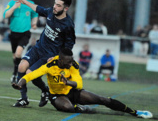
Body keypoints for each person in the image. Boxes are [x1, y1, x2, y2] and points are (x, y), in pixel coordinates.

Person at [12, 48, 153, 119]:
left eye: (71, 61)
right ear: (60, 60)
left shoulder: (73, 64)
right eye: (67, 62)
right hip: (56, 96)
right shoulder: (50, 65)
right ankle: (79, 108)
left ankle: (135, 112)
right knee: (67, 107)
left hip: (72, 90)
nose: (70, 63)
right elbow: (32, 75)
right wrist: (20, 83)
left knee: (102, 99)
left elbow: (79, 82)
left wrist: (69, 82)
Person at [12, 0, 75, 107]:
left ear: (66, 8)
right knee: (21, 66)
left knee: (31, 74)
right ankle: (23, 99)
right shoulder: (51, 11)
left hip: (49, 55)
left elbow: (69, 44)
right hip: (38, 48)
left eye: (59, 5)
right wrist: (24, 1)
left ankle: (45, 90)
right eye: (55, 3)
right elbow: (39, 9)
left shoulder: (68, 25)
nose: (55, 6)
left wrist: (58, 58)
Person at [3, 0, 38, 81]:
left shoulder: (30, 3)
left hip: (25, 33)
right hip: (14, 33)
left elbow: (35, 14)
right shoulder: (11, 3)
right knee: (15, 55)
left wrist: (34, 23)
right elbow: (5, 15)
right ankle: (15, 73)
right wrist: (14, 6)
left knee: (19, 53)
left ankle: (18, 73)